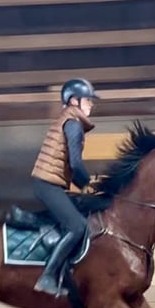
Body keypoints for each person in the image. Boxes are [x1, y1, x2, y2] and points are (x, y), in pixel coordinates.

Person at [30, 78, 99, 296]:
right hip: (47, 184)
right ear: (74, 101)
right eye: (88, 100)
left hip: (50, 182)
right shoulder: (73, 124)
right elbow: (75, 163)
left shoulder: (68, 120)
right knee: (77, 226)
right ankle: (48, 277)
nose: (92, 104)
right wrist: (86, 183)